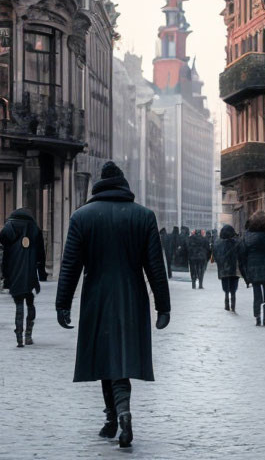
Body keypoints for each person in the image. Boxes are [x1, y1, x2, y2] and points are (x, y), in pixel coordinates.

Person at [55, 161, 170, 448]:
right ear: (124, 185)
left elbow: (70, 265)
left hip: (97, 297)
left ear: (99, 184)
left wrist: (63, 303)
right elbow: (155, 265)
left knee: (107, 356)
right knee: (120, 358)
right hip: (132, 296)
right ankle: (117, 415)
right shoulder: (144, 216)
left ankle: (117, 414)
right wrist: (163, 306)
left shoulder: (82, 217)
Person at [0, 208, 47, 347]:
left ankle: (19, 336)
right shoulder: (35, 230)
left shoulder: (8, 229)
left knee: (18, 303)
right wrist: (42, 273)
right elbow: (41, 254)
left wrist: (5, 275)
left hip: (14, 272)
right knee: (30, 301)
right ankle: (28, 335)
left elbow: (4, 253)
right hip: (30, 272)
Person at [213, 225, 241, 311]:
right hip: (234, 268)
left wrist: (219, 262)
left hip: (223, 268)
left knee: (225, 286)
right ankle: (233, 300)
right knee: (234, 285)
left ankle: (226, 299)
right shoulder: (237, 242)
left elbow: (215, 255)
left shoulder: (218, 243)